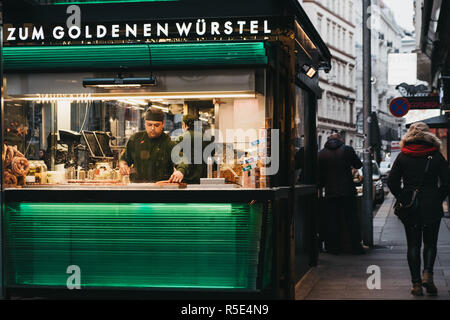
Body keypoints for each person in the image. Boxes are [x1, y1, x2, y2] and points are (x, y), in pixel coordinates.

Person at [387, 122, 450, 296]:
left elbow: (392, 182)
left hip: (410, 207)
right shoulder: (436, 156)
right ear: (428, 135)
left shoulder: (403, 156)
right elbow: (447, 182)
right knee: (430, 242)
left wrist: (403, 196)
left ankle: (415, 284)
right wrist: (437, 197)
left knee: (413, 244)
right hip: (431, 205)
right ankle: (428, 275)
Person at [318, 133, 365, 255]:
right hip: (347, 190)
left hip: (330, 192)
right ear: (340, 139)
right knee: (352, 219)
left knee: (333, 220)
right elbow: (358, 164)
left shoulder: (321, 153)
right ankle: (356, 247)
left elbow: (319, 175)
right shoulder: (347, 150)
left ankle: (334, 248)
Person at [119, 108, 187, 183]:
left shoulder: (168, 142)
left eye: (156, 125)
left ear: (163, 124)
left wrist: (180, 171)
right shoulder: (135, 139)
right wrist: (123, 165)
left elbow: (182, 160)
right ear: (145, 123)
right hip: (137, 187)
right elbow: (124, 159)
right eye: (149, 124)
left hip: (160, 188)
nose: (152, 128)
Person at [174, 114, 207, 184]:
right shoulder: (206, 138)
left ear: (184, 124)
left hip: (186, 178)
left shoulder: (181, 138)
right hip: (203, 178)